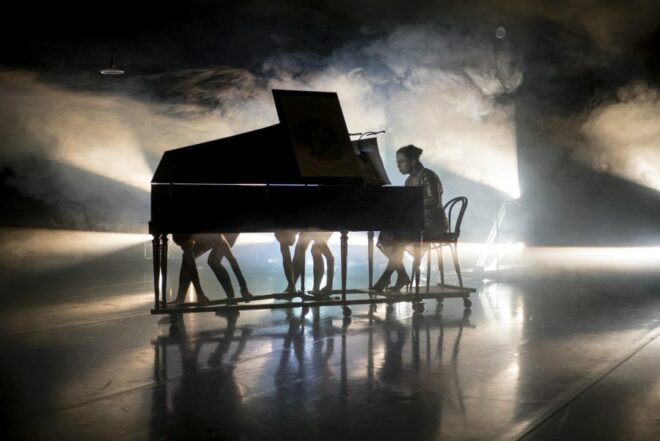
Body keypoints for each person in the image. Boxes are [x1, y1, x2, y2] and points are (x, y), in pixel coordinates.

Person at [372, 145, 448, 292]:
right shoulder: (408, 181)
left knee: (398, 238)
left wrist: (409, 205)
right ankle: (401, 275)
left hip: (433, 223)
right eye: (397, 163)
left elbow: (433, 201)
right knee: (386, 235)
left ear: (412, 161)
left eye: (401, 162)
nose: (398, 166)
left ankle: (388, 277)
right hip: (416, 222)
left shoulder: (427, 175)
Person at [170, 233, 254, 305]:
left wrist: (244, 288)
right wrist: (200, 294)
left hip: (228, 232)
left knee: (213, 262)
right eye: (180, 245)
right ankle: (180, 298)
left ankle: (231, 299)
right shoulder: (179, 237)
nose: (182, 248)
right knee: (187, 257)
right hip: (204, 237)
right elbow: (190, 263)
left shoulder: (215, 236)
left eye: (185, 245)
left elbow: (232, 260)